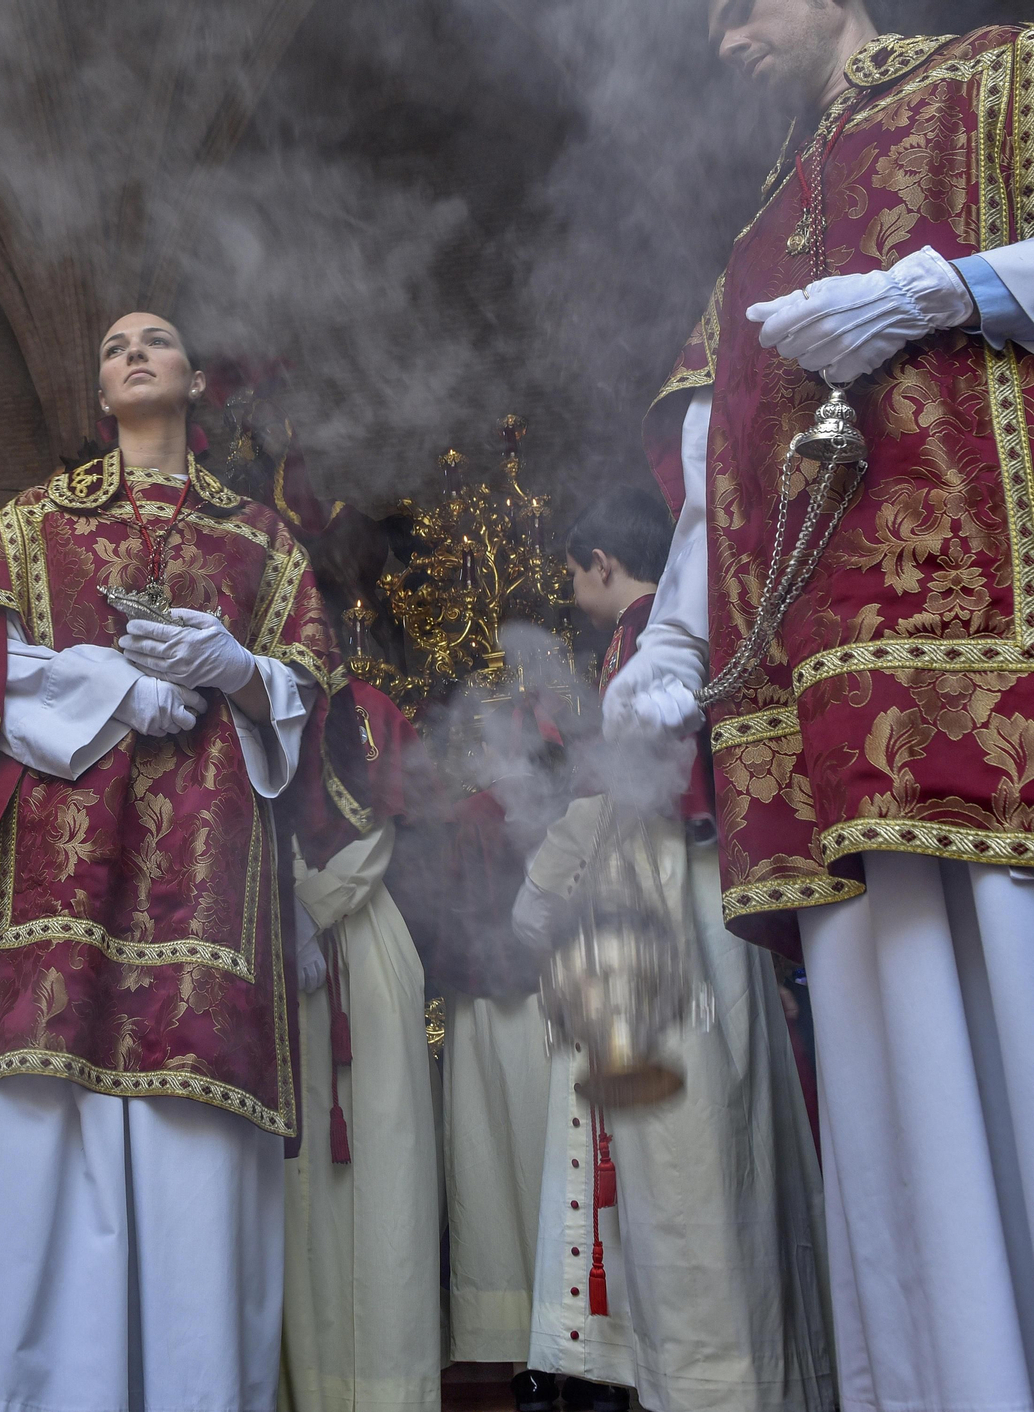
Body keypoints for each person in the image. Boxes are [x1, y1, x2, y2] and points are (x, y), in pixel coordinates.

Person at [0, 311, 360, 1412]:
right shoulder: (33, 519)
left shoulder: (261, 539)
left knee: (187, 1139)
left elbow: (313, 696)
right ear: (102, 392)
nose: (133, 353)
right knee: (26, 1127)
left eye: (155, 340)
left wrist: (236, 668)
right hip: (54, 873)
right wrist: (110, 687)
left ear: (195, 380)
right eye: (112, 348)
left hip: (206, 880)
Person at [609, 8, 1034, 1408]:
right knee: (893, 1113)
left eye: (741, 6)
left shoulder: (999, 77)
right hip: (816, 725)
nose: (725, 41)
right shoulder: (762, 222)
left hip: (997, 660)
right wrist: (671, 650)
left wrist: (944, 292)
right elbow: (716, 474)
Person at [507, 490, 832, 1412]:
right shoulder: (662, 629)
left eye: (575, 577)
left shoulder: (651, 638)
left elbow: (631, 793)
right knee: (704, 1139)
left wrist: (542, 890)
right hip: (687, 898)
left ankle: (712, 1378)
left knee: (690, 1149)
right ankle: (730, 1366)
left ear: (603, 561)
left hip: (669, 904)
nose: (575, 596)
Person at [278, 675, 443, 1412]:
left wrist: (309, 912)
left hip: (363, 944)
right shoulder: (244, 695)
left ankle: (385, 1390)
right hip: (268, 946)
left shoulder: (362, 708)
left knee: (379, 1163)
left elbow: (377, 831)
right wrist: (278, 914)